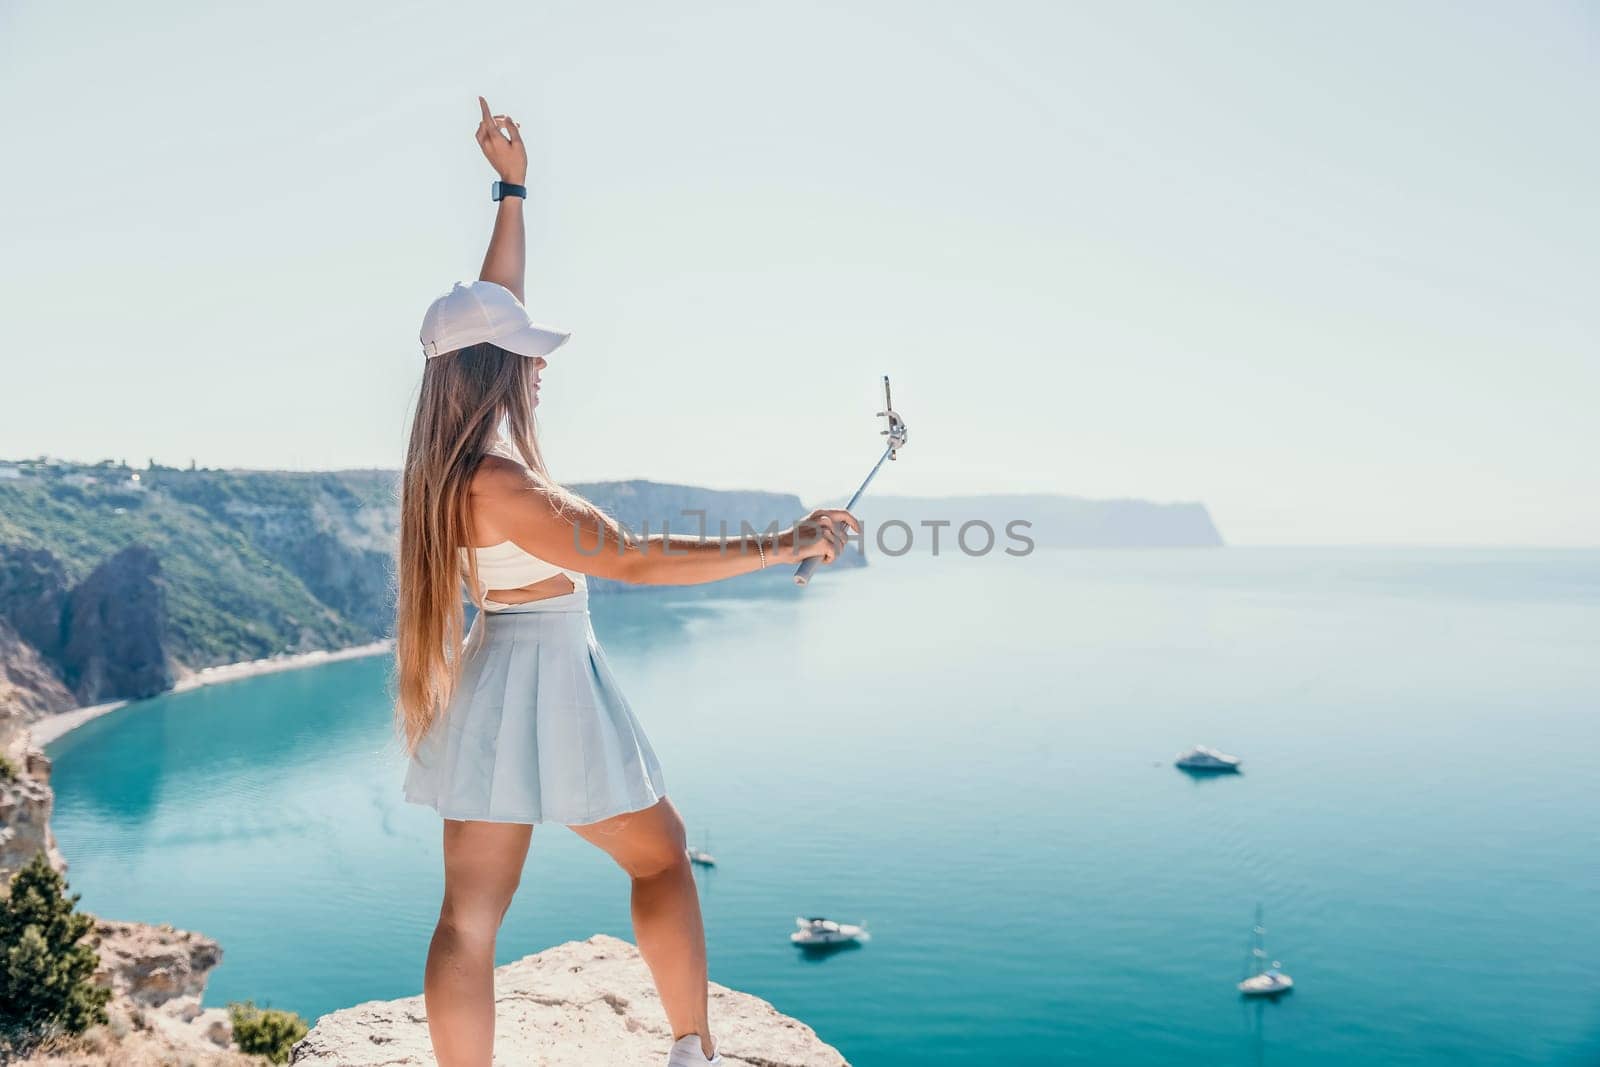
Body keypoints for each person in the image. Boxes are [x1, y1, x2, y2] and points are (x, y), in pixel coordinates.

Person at [392, 97, 859, 1067]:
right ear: (495, 369)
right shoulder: (504, 480)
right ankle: (691, 1046)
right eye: (529, 355)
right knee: (661, 855)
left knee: (468, 918)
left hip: (493, 677)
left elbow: (490, 306)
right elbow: (634, 557)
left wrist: (512, 190)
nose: (542, 367)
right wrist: (788, 542)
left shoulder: (449, 461)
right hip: (551, 678)